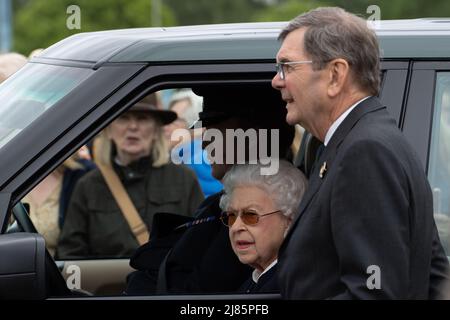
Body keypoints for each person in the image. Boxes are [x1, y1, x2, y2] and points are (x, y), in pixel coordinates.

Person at [271, 7, 450, 299]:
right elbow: (433, 273)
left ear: (335, 75)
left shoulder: (365, 151)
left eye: (287, 67)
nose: (276, 80)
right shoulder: (359, 141)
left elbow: (372, 292)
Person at [124, 85, 295, 295]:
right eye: (232, 216)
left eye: (215, 130)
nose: (205, 142)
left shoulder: (267, 215)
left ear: (253, 136)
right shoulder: (218, 204)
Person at [57, 93, 204, 259]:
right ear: (108, 130)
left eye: (142, 118)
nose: (133, 126)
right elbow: (69, 256)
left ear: (156, 130)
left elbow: (201, 243)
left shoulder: (184, 179)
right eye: (123, 118)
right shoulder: (88, 186)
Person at [219, 161, 307, 293]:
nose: (236, 227)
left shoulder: (295, 287)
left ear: (290, 221)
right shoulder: (257, 281)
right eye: (231, 216)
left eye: (250, 215)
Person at [165, 89, 223, 198]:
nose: (166, 127)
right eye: (167, 120)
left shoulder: (190, 161)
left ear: (197, 128)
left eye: (175, 121)